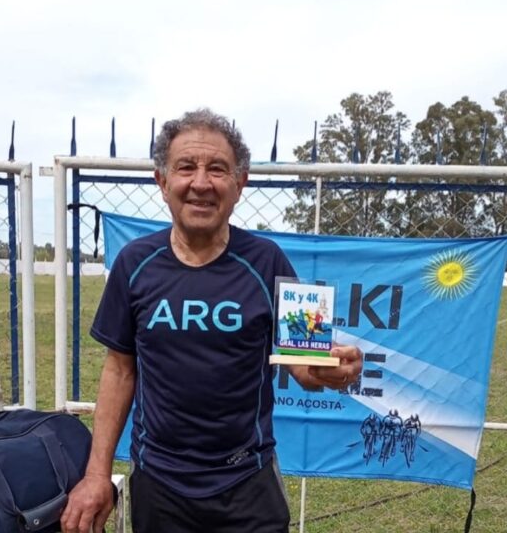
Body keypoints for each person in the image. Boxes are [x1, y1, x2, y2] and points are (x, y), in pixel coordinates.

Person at [61, 108, 363, 533]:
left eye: (217, 169)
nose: (201, 183)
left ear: (240, 184)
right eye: (186, 167)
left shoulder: (269, 261)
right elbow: (120, 370)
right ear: (162, 181)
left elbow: (304, 365)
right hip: (159, 484)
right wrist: (97, 475)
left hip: (247, 482)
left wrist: (328, 369)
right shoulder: (134, 263)